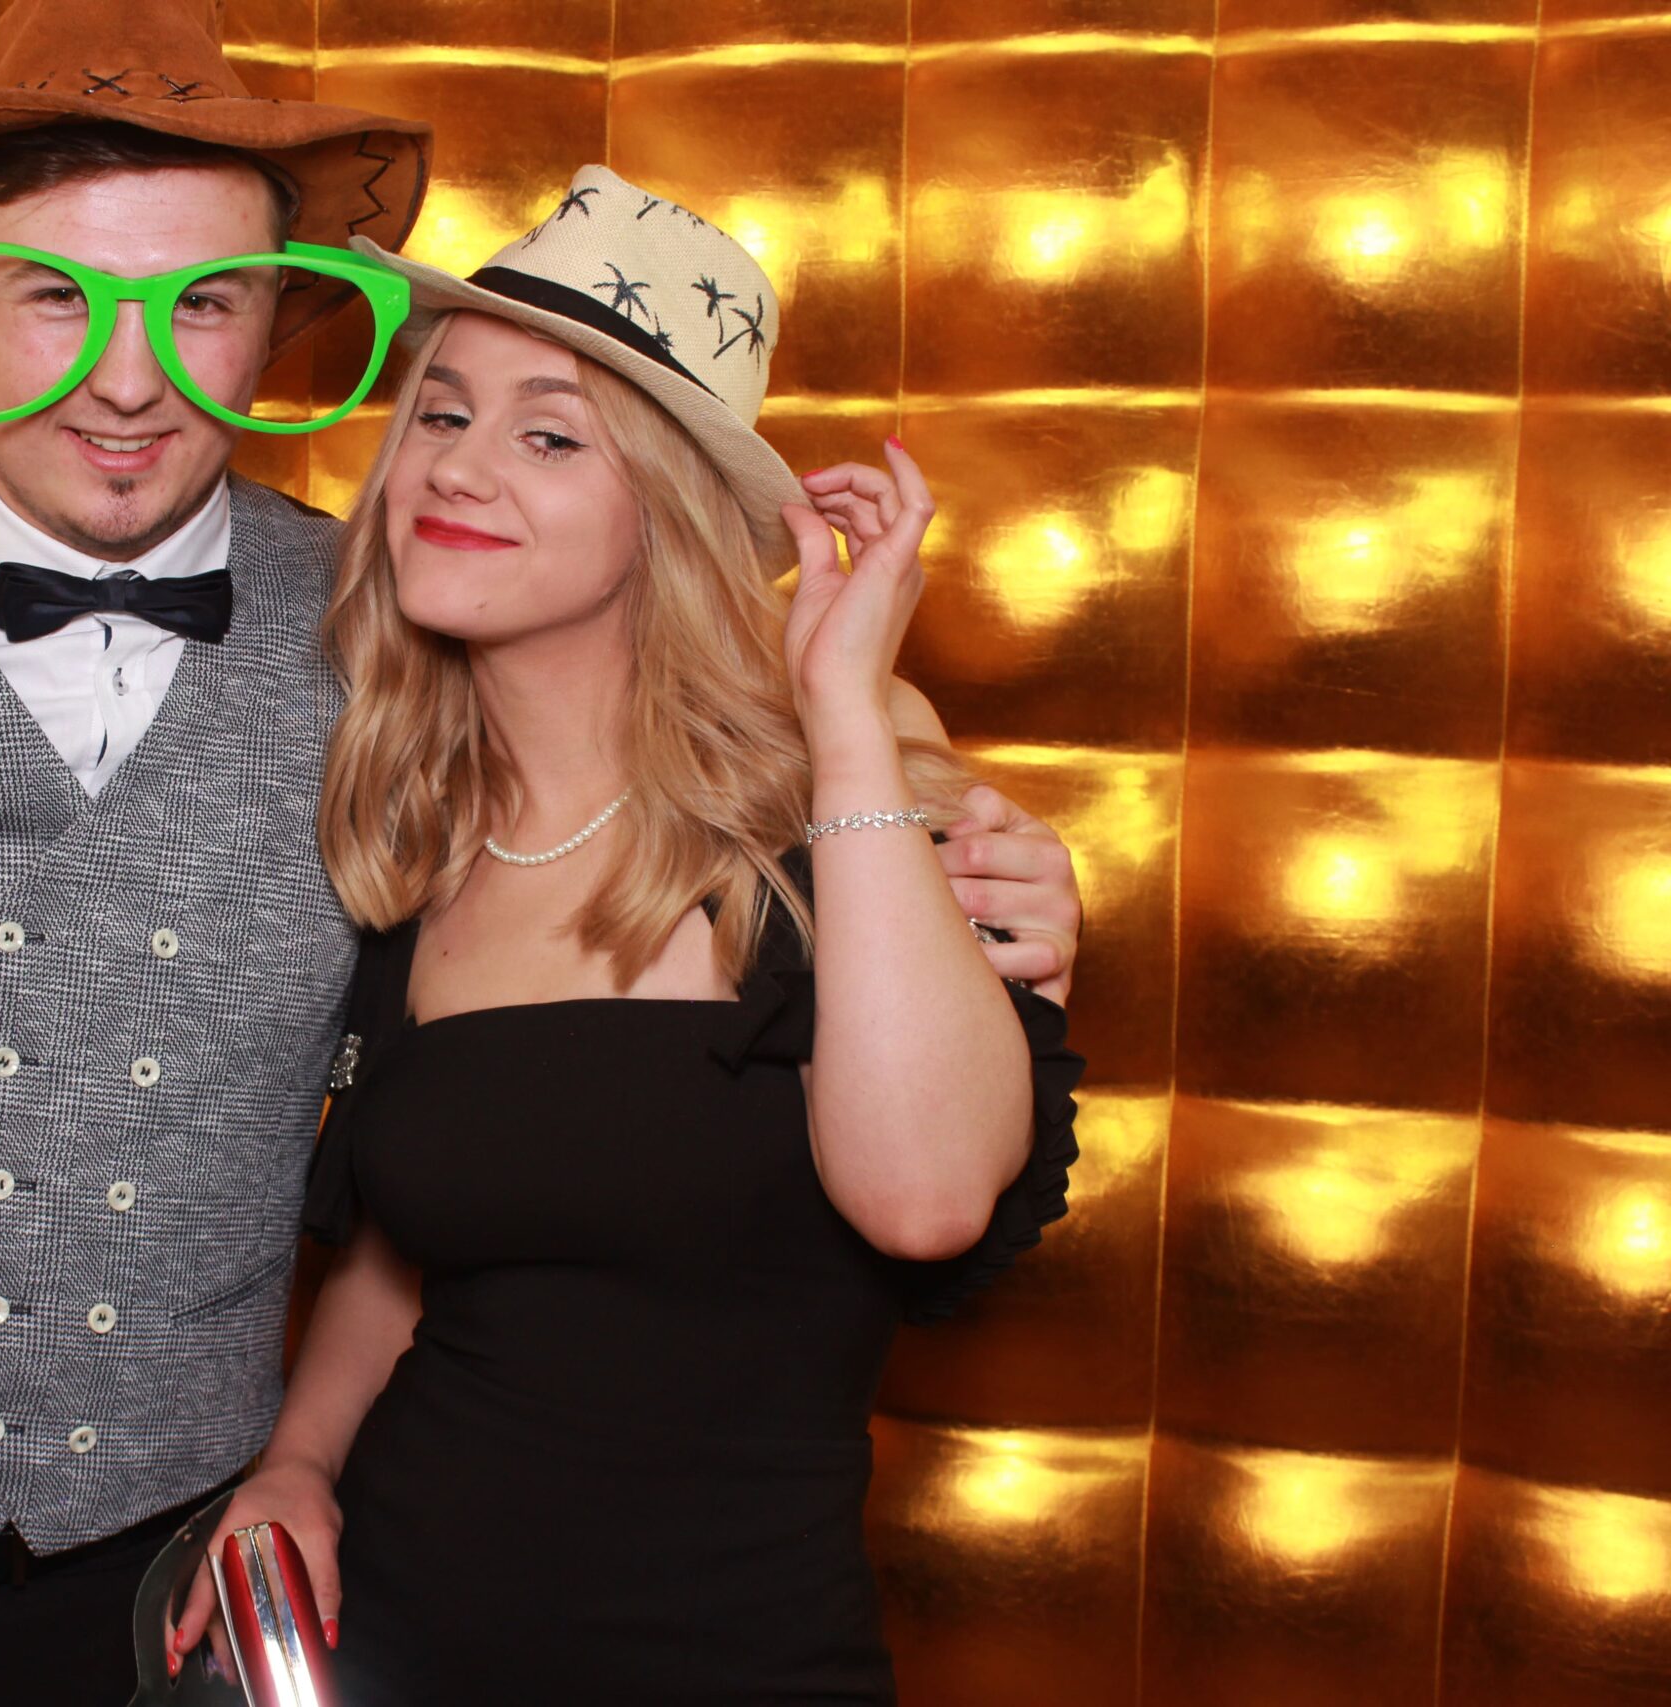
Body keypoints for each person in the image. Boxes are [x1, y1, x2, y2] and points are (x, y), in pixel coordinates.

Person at [0, 4, 1082, 1702]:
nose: (127, 380)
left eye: (202, 304)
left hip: (181, 1594)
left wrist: (960, 851)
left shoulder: (394, 640)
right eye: (54, 296)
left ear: (275, 324)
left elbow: (690, 766)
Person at [171, 166, 1087, 1705]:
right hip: (393, 1634)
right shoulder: (419, 822)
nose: (459, 468)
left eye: (549, 436)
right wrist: (299, 1464)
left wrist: (845, 715)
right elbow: (406, 1252)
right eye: (442, 415)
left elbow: (926, 1198)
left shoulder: (849, 786)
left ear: (664, 511)